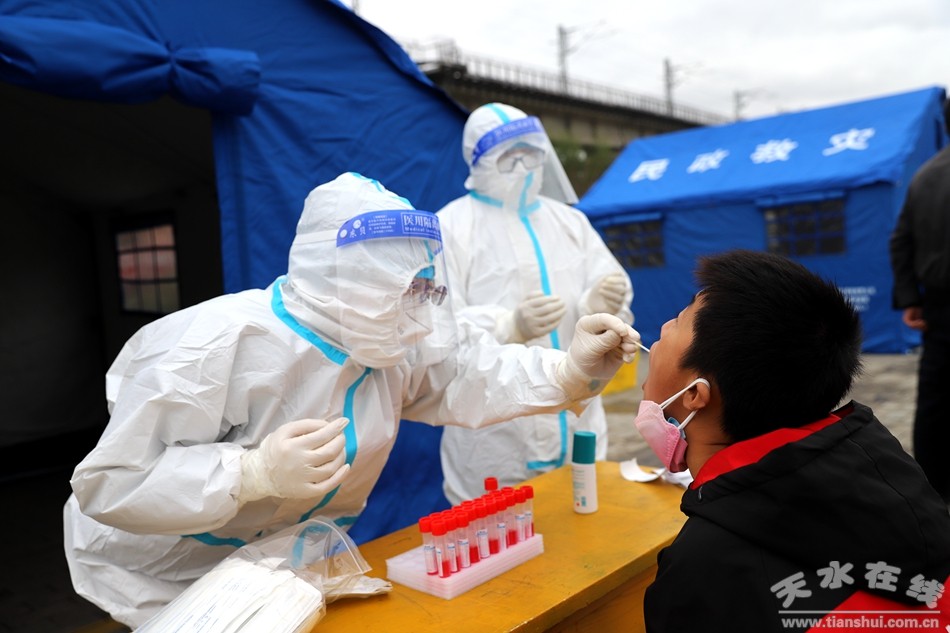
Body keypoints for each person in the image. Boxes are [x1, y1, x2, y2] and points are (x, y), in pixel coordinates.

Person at [63, 172, 639, 628]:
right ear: (338, 278)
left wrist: (568, 370)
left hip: (286, 573)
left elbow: (466, 372)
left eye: (425, 289)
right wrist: (250, 473)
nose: (419, 315)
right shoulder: (213, 344)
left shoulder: (387, 340)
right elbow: (110, 484)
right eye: (400, 290)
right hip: (165, 579)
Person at [638, 249, 950, 632]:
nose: (662, 331)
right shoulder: (885, 471)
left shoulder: (703, 571)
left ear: (694, 394)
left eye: (678, 321)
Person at [437, 102, 634, 504]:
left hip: (578, 418)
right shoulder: (451, 226)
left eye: (530, 153)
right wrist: (508, 327)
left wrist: (599, 305)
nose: (524, 166)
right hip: (496, 431)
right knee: (500, 531)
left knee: (586, 520)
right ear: (480, 162)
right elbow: (436, 328)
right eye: (509, 157)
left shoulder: (570, 222)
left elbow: (611, 286)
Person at [889, 118, 950, 503]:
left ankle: (932, 489)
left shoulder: (925, 175)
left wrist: (911, 297)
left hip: (939, 305)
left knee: (936, 400)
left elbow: (901, 240)